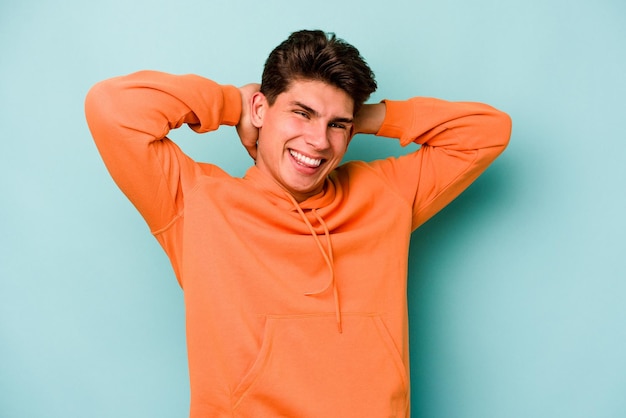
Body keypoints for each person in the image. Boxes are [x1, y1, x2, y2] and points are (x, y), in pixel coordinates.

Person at [85, 29, 511, 418]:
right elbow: (113, 108)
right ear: (262, 109)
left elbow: (488, 131)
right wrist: (234, 104)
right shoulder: (197, 203)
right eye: (301, 114)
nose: (319, 141)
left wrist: (360, 117)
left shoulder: (384, 195)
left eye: (335, 126)